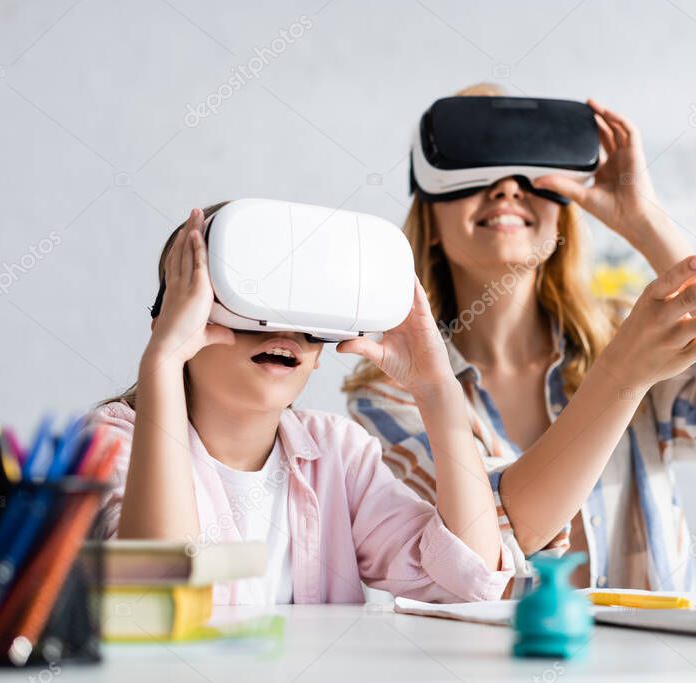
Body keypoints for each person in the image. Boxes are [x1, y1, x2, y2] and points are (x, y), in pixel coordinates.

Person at [344, 85, 696, 594]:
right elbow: (487, 547)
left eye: (528, 169)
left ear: (562, 212)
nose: (506, 188)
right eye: (476, 166)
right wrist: (620, 378)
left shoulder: (627, 338)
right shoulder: (395, 388)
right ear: (429, 220)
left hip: (648, 665)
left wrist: (646, 222)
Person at [93, 202, 514, 604]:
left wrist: (437, 389)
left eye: (309, 317)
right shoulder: (110, 444)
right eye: (254, 301)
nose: (287, 331)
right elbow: (156, 595)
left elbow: (470, 583)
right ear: (178, 317)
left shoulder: (337, 454)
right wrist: (163, 363)